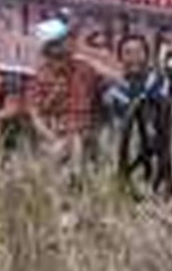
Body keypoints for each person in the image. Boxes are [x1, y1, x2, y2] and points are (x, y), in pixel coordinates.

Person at [24, 16, 111, 163]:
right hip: (54, 135)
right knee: (63, 148)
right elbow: (35, 116)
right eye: (66, 39)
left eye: (71, 39)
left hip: (85, 134)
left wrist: (90, 58)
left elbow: (118, 79)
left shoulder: (84, 68)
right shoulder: (40, 77)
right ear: (51, 47)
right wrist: (54, 138)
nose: (71, 42)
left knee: (77, 141)